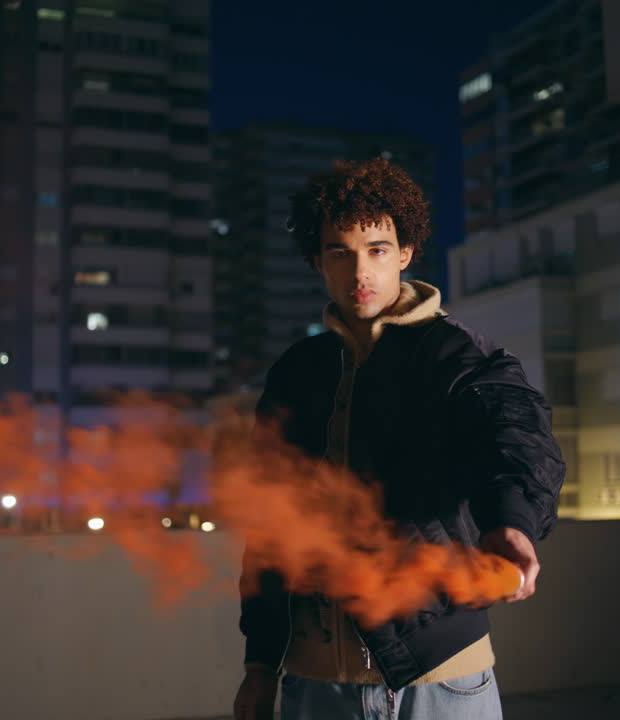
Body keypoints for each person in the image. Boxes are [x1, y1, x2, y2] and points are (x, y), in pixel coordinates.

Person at [232, 158, 566, 720]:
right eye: (340, 251)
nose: (359, 270)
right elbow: (270, 524)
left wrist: (511, 521)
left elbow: (516, 435)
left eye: (378, 249)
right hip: (314, 685)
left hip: (438, 679)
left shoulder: (457, 354)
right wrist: (261, 664)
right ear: (318, 261)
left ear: (406, 254)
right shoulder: (298, 372)